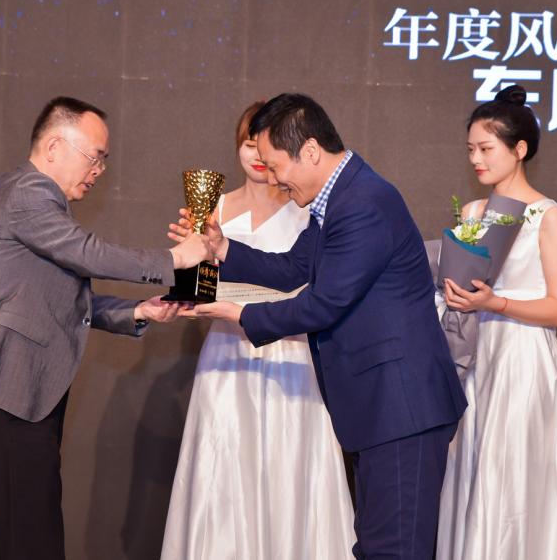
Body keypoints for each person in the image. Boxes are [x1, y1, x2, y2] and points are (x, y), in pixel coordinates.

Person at [174, 93, 467, 559]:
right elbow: (294, 268)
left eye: (275, 165)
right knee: (379, 547)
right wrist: (221, 247)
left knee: (395, 550)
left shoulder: (363, 202)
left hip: (402, 408)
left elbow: (324, 304)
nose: (272, 178)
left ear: (309, 151)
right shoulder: (340, 197)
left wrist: (239, 314)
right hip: (384, 408)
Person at [0, 96, 212, 560]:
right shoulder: (27, 193)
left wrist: (138, 312)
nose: (99, 171)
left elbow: (68, 301)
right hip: (4, 396)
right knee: (32, 544)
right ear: (54, 146)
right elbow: (87, 253)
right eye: (95, 156)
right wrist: (175, 259)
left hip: (19, 399)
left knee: (9, 542)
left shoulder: (37, 205)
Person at [160, 102, 356, 559]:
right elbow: (198, 283)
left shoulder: (309, 207)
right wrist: (193, 269)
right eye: (248, 144)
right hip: (228, 355)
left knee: (290, 469)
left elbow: (298, 278)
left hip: (291, 352)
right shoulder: (215, 206)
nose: (257, 156)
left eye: (264, 147)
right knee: (225, 468)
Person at [435, 85, 557, 559]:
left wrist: (497, 303)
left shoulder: (548, 215)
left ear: (519, 149)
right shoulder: (473, 213)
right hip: (475, 356)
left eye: (486, 149)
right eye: (471, 150)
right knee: (473, 469)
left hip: (522, 360)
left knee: (515, 477)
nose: (476, 160)